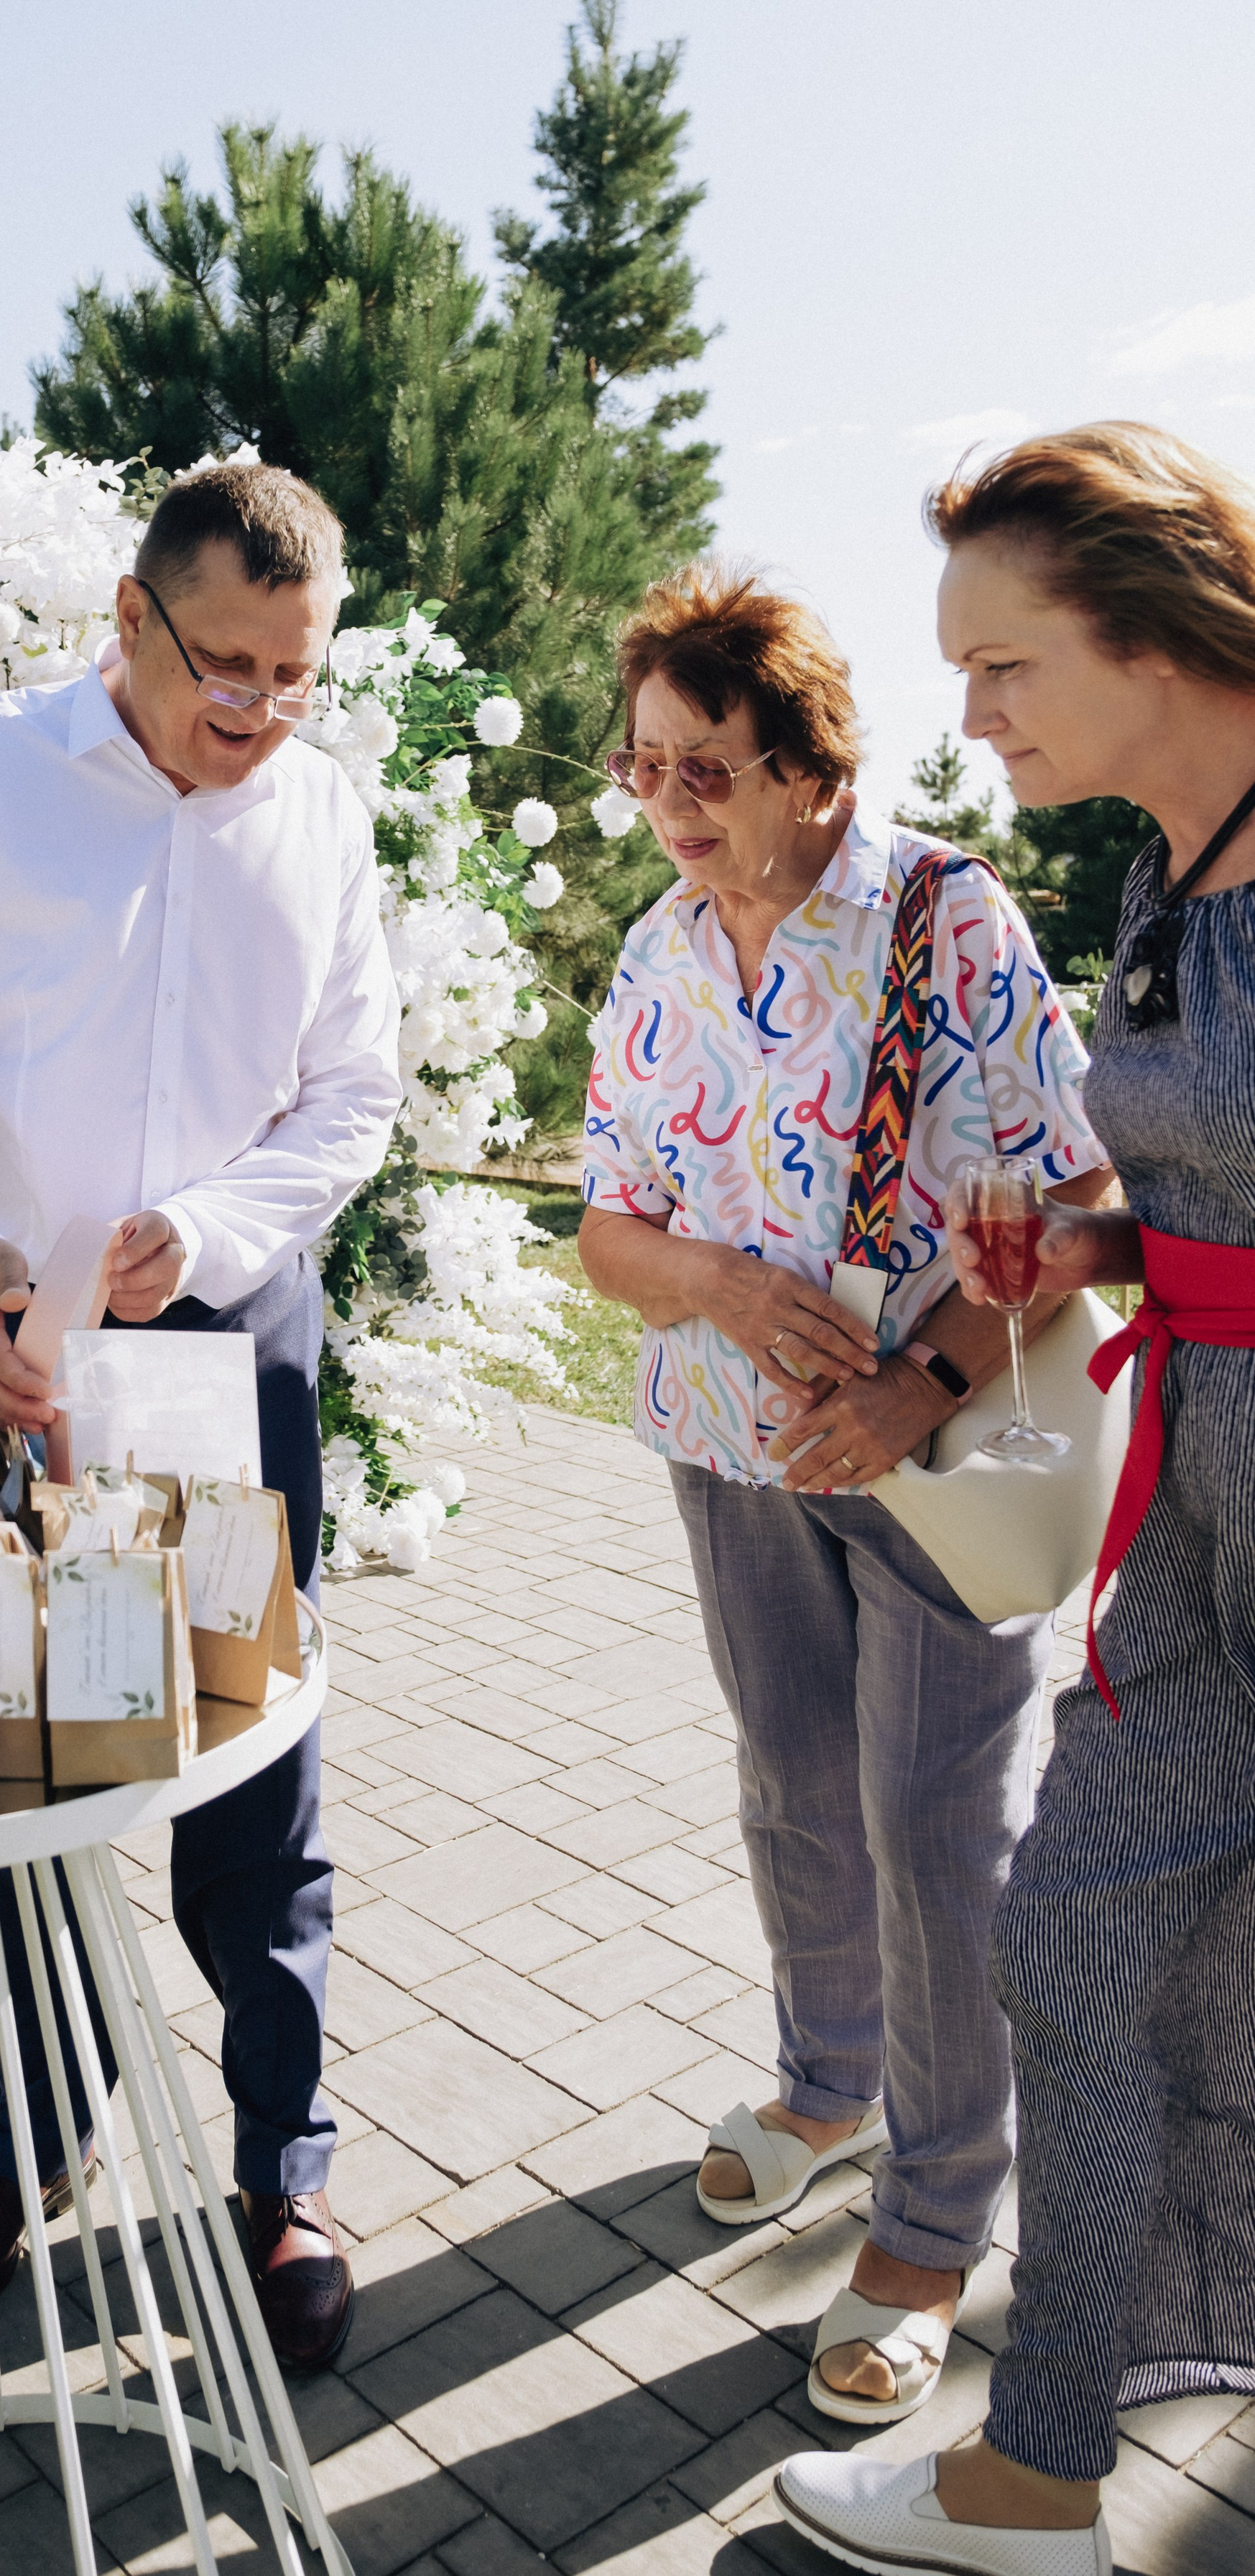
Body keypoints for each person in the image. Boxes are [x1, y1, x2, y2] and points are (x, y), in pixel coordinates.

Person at [0, 460, 404, 2373]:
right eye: (224, 664)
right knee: (2, 1775)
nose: (258, 713)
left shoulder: (322, 809)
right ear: (126, 623)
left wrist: (207, 1233)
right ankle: (36, 2140)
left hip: (232, 1364)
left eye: (293, 674)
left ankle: (281, 2167)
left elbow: (354, 1095)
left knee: (251, 1776)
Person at [777, 425, 1255, 2572]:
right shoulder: (1172, 867)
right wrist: (1091, 1253)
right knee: (1069, 1929)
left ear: (1153, 632)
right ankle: (1040, 2459)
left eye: (999, 666)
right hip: (1187, 1501)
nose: (967, 718)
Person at [577, 564, 1113, 2430]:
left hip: (939, 1460)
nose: (669, 807)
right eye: (644, 770)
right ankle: (827, 2077)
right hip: (726, 1451)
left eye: (705, 769)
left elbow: (1059, 1202)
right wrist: (717, 1286)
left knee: (932, 1822)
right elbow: (606, 1229)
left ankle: (942, 2208)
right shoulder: (658, 952)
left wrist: (913, 1384)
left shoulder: (940, 921)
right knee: (792, 1787)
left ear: (813, 764)